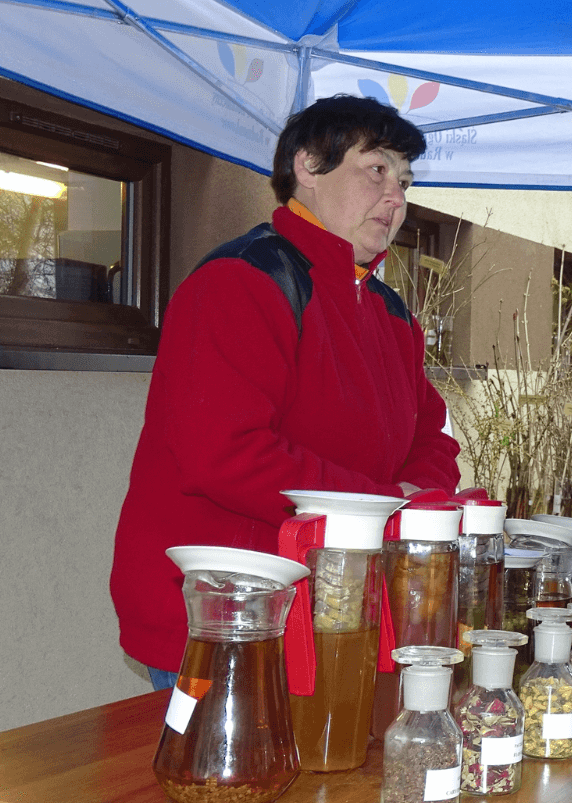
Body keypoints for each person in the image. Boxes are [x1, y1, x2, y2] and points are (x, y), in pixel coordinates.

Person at [112, 95, 461, 689]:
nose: (397, 198)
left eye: (404, 181)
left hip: (336, 611)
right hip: (225, 617)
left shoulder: (389, 313)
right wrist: (385, 505)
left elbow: (433, 438)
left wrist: (408, 499)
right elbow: (226, 454)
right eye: (376, 170)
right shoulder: (241, 282)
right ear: (308, 165)